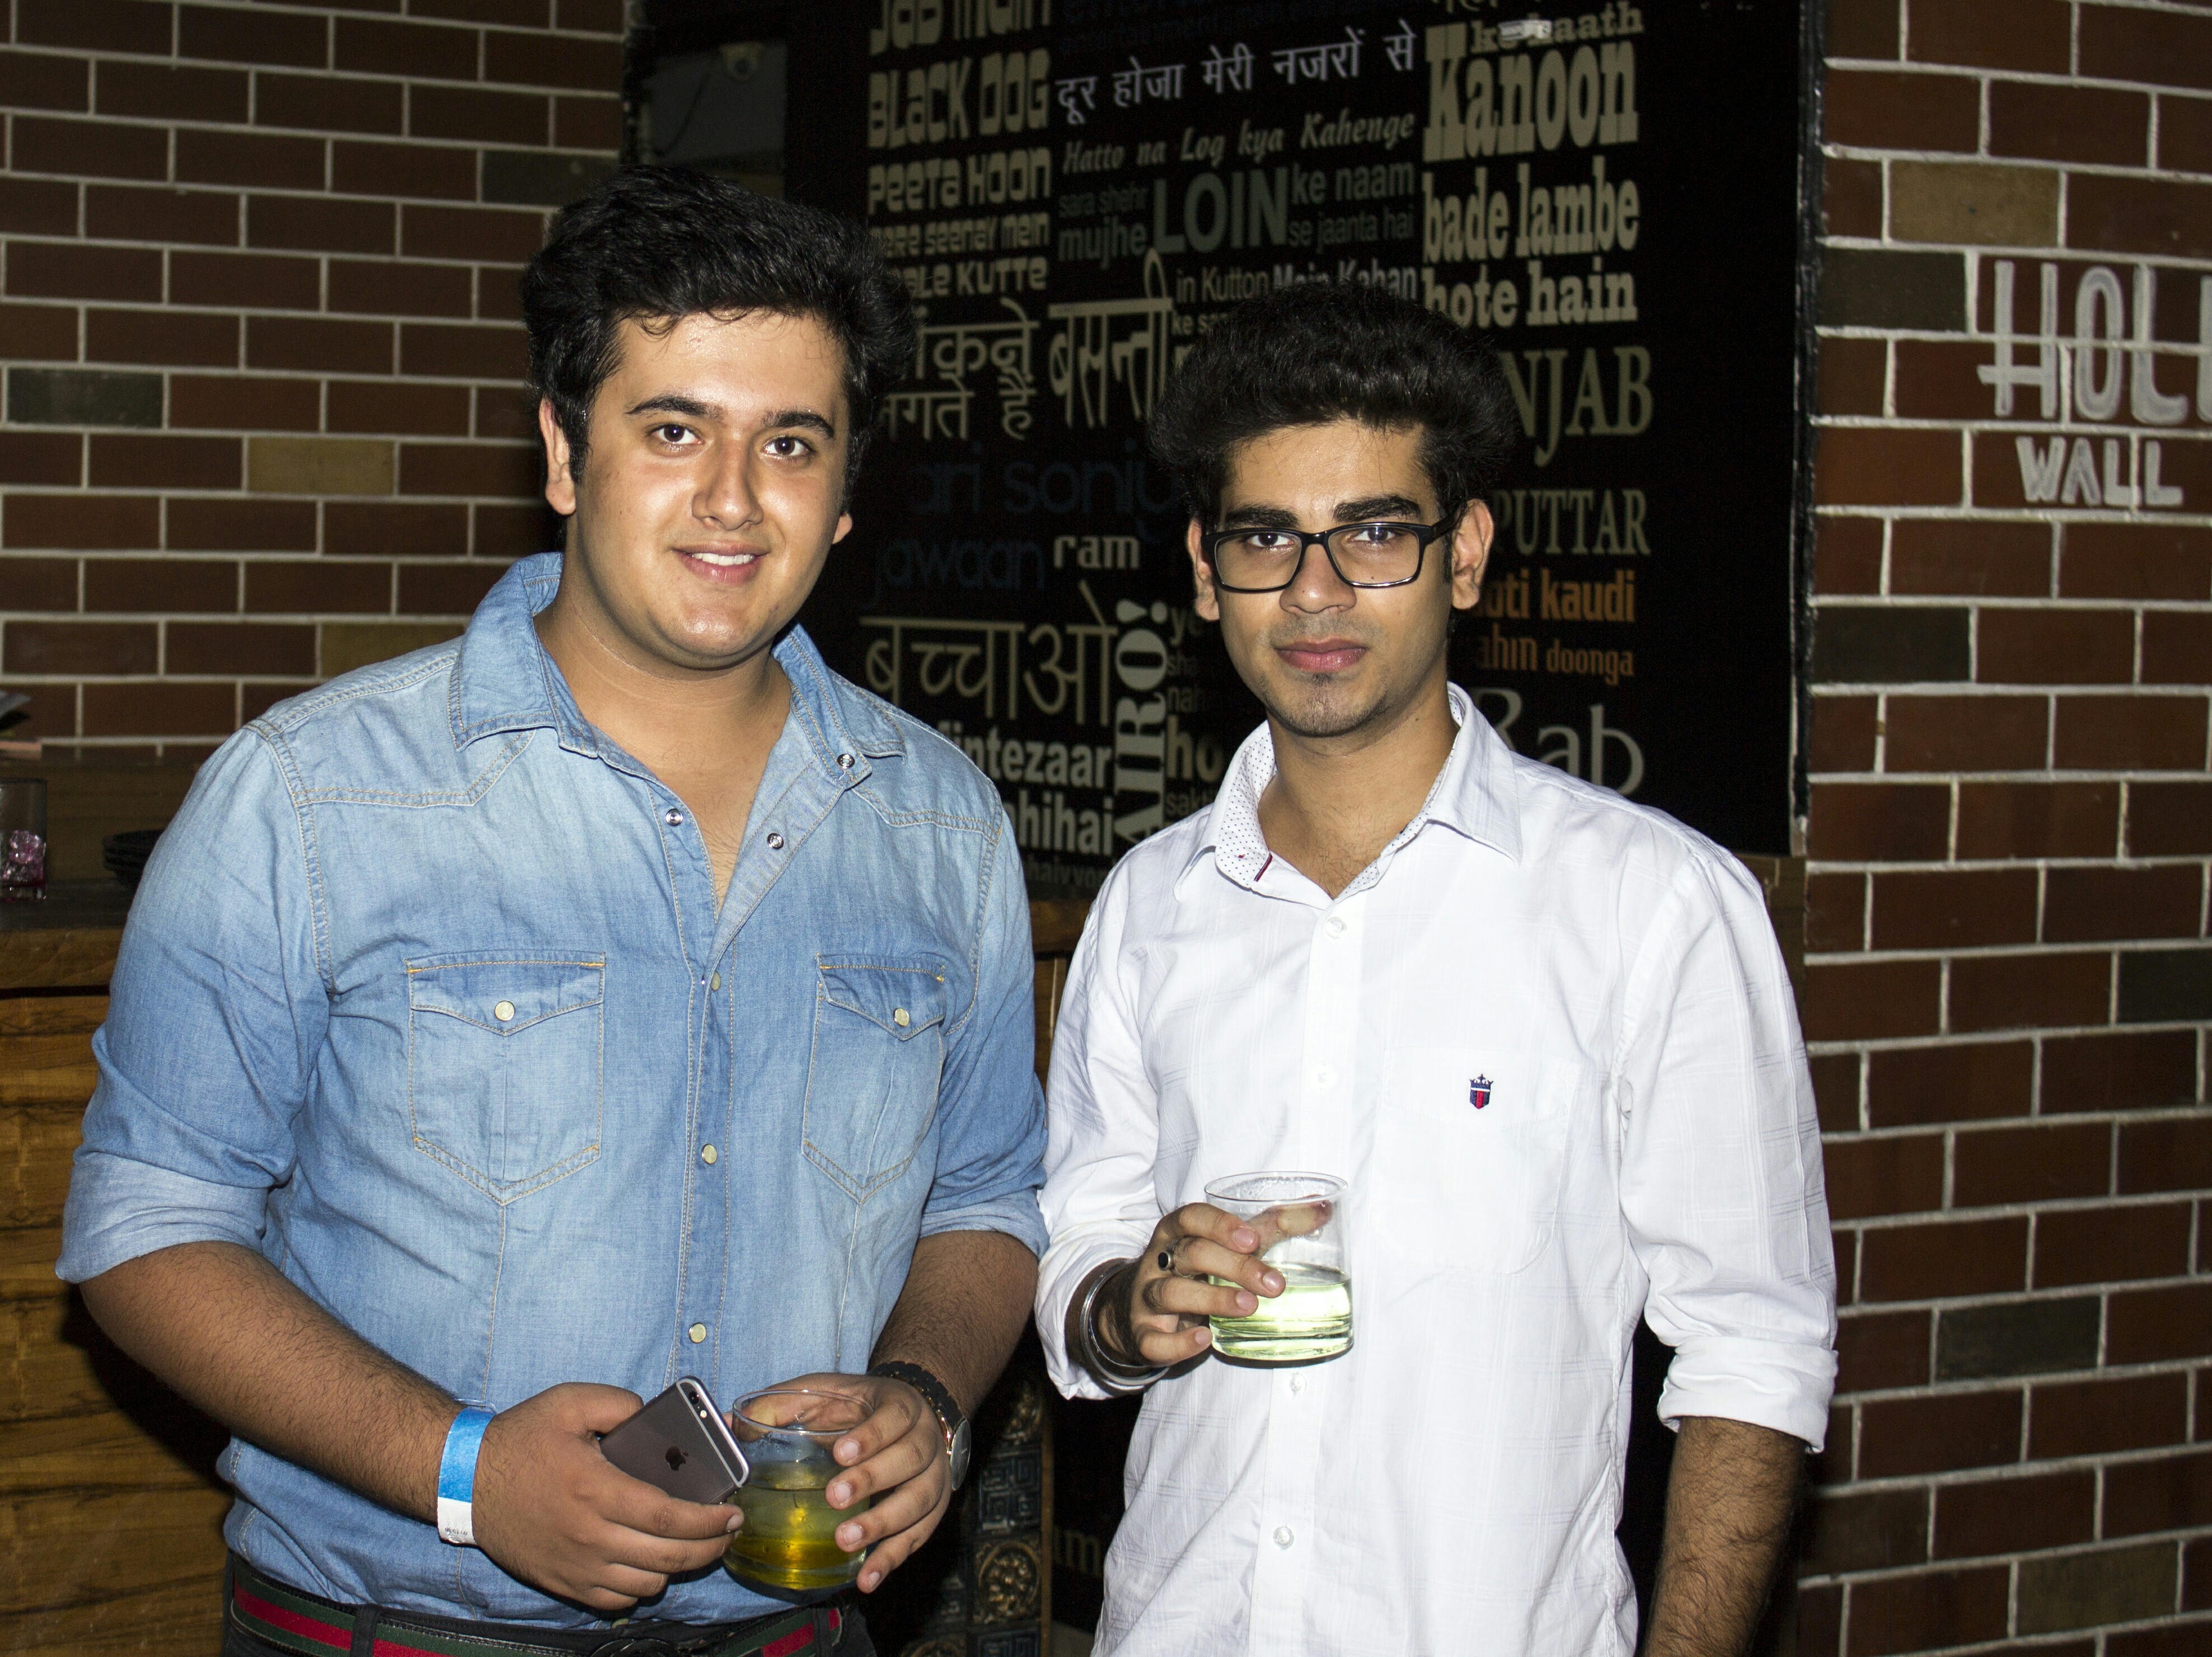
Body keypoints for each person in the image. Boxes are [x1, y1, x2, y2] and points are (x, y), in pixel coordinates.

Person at [61, 167, 1047, 1657]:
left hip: (790, 1630)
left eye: (791, 442)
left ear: (847, 495)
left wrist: (922, 1393)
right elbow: (147, 1226)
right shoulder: (313, 795)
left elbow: (983, 1200)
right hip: (396, 1629)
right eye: (673, 431)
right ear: (563, 454)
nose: (733, 498)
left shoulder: (939, 823)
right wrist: (461, 1470)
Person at [1035, 284, 1835, 1656]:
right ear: (1203, 570)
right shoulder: (1150, 905)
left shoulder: (1648, 905)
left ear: (1462, 554)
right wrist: (1129, 1302)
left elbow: (1752, 1350)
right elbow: (1077, 1259)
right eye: (1265, 538)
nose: (1316, 591)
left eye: (1373, 533)